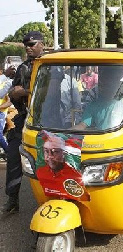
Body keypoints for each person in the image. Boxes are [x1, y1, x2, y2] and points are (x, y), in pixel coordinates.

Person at [1, 31, 44, 214]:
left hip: (46, 121)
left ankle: (49, 201)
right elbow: (12, 92)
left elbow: (52, 94)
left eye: (32, 44)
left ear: (42, 44)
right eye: (26, 44)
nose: (28, 47)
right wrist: (15, 94)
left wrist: (25, 92)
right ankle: (12, 199)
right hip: (24, 118)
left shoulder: (52, 65)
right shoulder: (23, 68)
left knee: (47, 161)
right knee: (13, 158)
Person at [36, 132, 89, 201]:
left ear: (63, 153)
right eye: (46, 151)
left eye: (55, 152)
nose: (50, 156)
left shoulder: (75, 174)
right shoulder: (41, 172)